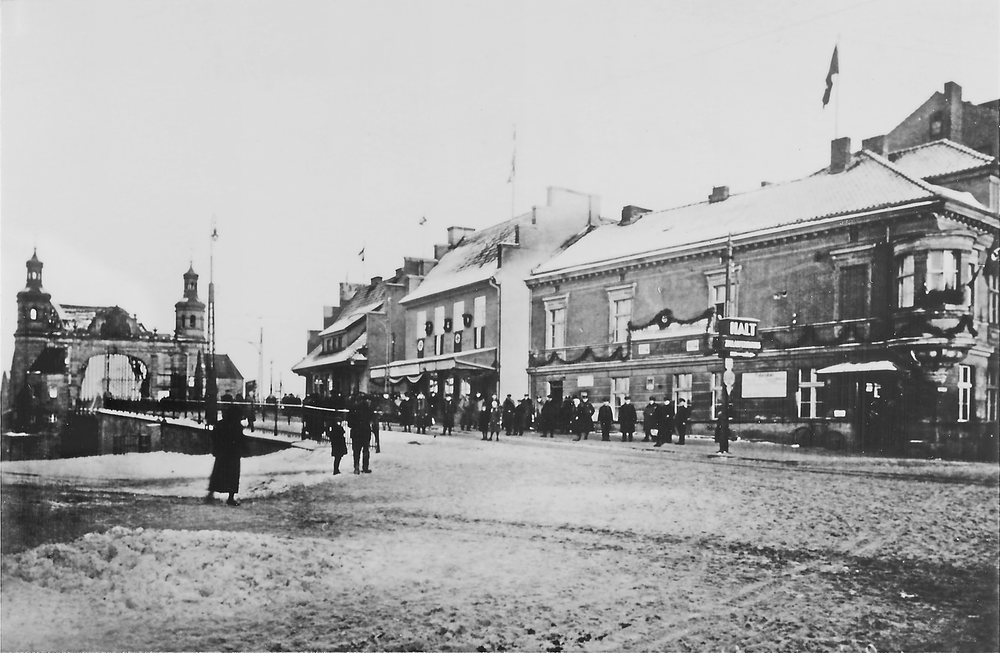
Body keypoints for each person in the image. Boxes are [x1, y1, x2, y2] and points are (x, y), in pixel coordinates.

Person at [205, 403, 246, 506]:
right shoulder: (237, 426)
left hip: (222, 454)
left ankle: (211, 494)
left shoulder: (221, 424)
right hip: (233, 455)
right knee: (233, 476)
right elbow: (241, 440)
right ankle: (230, 498)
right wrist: (245, 449)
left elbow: (214, 437)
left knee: (218, 474)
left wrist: (215, 448)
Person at [349, 394, 374, 473]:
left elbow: (349, 421)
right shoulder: (368, 409)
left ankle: (356, 467)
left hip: (356, 432)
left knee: (356, 451)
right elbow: (371, 419)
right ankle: (365, 467)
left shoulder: (353, 408)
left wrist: (354, 426)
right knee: (366, 450)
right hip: (365, 432)